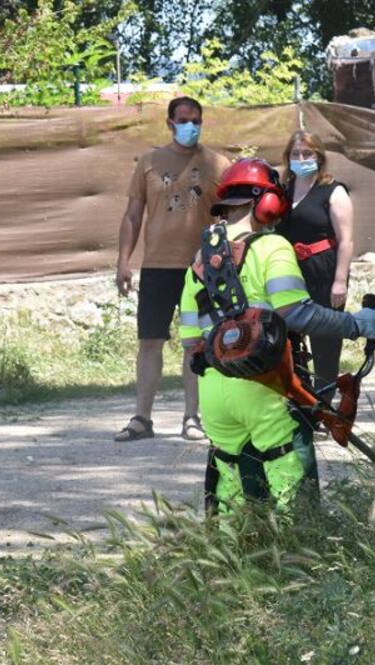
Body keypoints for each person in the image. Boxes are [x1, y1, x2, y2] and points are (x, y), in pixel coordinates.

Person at [177, 158, 375, 511]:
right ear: (266, 202)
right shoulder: (272, 247)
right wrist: (356, 325)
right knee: (290, 487)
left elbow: (189, 342)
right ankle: (295, 556)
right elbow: (296, 312)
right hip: (266, 387)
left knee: (232, 492)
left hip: (214, 394)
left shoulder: (198, 261)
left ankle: (233, 562)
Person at [114, 96, 229, 442]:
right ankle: (141, 419)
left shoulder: (218, 164)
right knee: (150, 341)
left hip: (202, 269)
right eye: (183, 120)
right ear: (169, 123)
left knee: (197, 344)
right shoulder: (149, 162)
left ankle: (192, 418)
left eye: (196, 120)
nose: (190, 126)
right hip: (157, 267)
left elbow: (229, 216)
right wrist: (123, 262)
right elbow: (133, 215)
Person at [275, 129, 356, 391]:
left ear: (319, 156)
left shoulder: (333, 191)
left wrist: (340, 281)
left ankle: (324, 407)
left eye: (307, 153)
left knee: (325, 343)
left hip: (324, 271)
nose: (301, 158)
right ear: (288, 158)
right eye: (295, 153)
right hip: (289, 273)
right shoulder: (282, 192)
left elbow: (346, 240)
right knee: (288, 340)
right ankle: (302, 403)